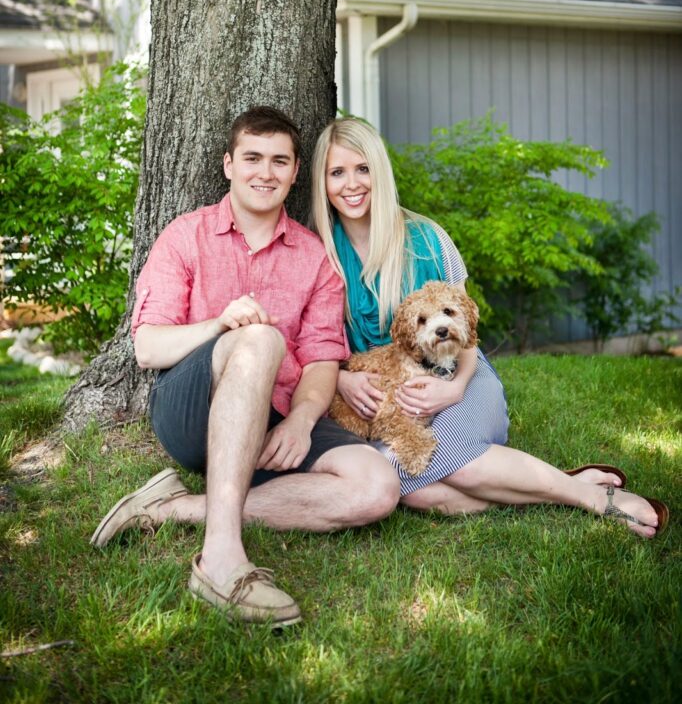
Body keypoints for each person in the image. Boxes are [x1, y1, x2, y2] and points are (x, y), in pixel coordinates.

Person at [91, 107, 400, 626]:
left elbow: (324, 357)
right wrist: (219, 324)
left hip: (275, 420)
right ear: (228, 165)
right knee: (257, 338)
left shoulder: (314, 257)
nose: (266, 172)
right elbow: (148, 347)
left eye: (280, 161)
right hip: (193, 413)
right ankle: (221, 558)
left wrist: (303, 421)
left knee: (376, 485)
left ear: (296, 172)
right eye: (253, 158)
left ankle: (173, 508)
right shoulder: (185, 236)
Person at [310, 116, 667, 539]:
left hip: (459, 374)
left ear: (380, 172)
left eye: (363, 168)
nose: (352, 184)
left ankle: (594, 499)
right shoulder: (319, 250)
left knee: (434, 455)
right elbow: (313, 344)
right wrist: (343, 381)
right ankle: (559, 484)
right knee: (416, 490)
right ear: (323, 181)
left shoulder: (428, 238)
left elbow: (461, 328)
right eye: (337, 172)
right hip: (389, 399)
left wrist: (456, 387)